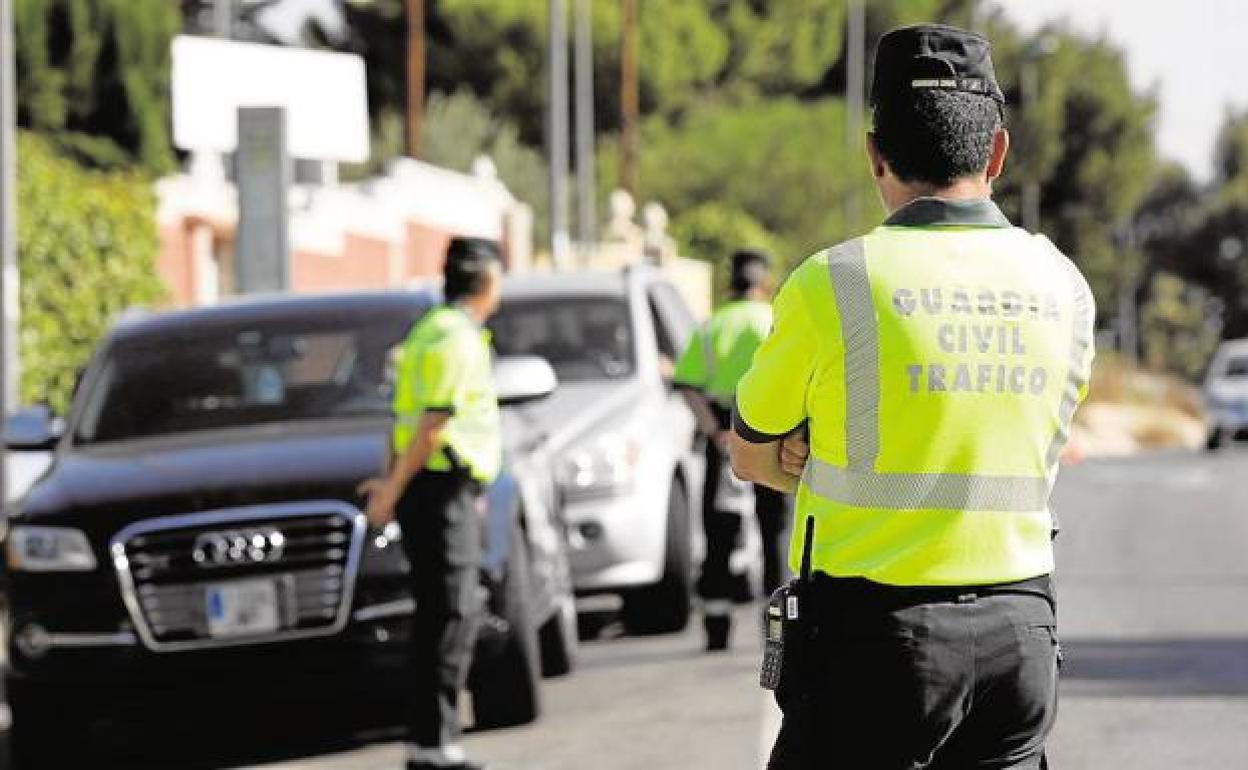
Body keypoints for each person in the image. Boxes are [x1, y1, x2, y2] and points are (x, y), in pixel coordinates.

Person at [729, 24, 1094, 769]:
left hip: (876, 642)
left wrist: (802, 457)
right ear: (997, 152)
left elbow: (749, 452)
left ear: (874, 153)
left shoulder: (831, 282)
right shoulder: (1062, 284)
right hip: (1020, 639)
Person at [359, 237, 504, 770]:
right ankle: (436, 746)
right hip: (440, 490)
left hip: (437, 489)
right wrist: (391, 492)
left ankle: (430, 743)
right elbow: (430, 424)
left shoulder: (429, 330)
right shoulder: (455, 338)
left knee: (439, 614)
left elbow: (407, 422)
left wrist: (391, 482)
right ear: (489, 282)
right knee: (451, 613)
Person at [673, 249, 790, 652]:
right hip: (770, 437)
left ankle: (717, 627)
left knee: (719, 531)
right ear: (764, 284)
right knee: (774, 531)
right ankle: (775, 624)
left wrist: (716, 432)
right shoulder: (774, 319)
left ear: (731, 285)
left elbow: (687, 384)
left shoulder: (710, 327)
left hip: (721, 439)